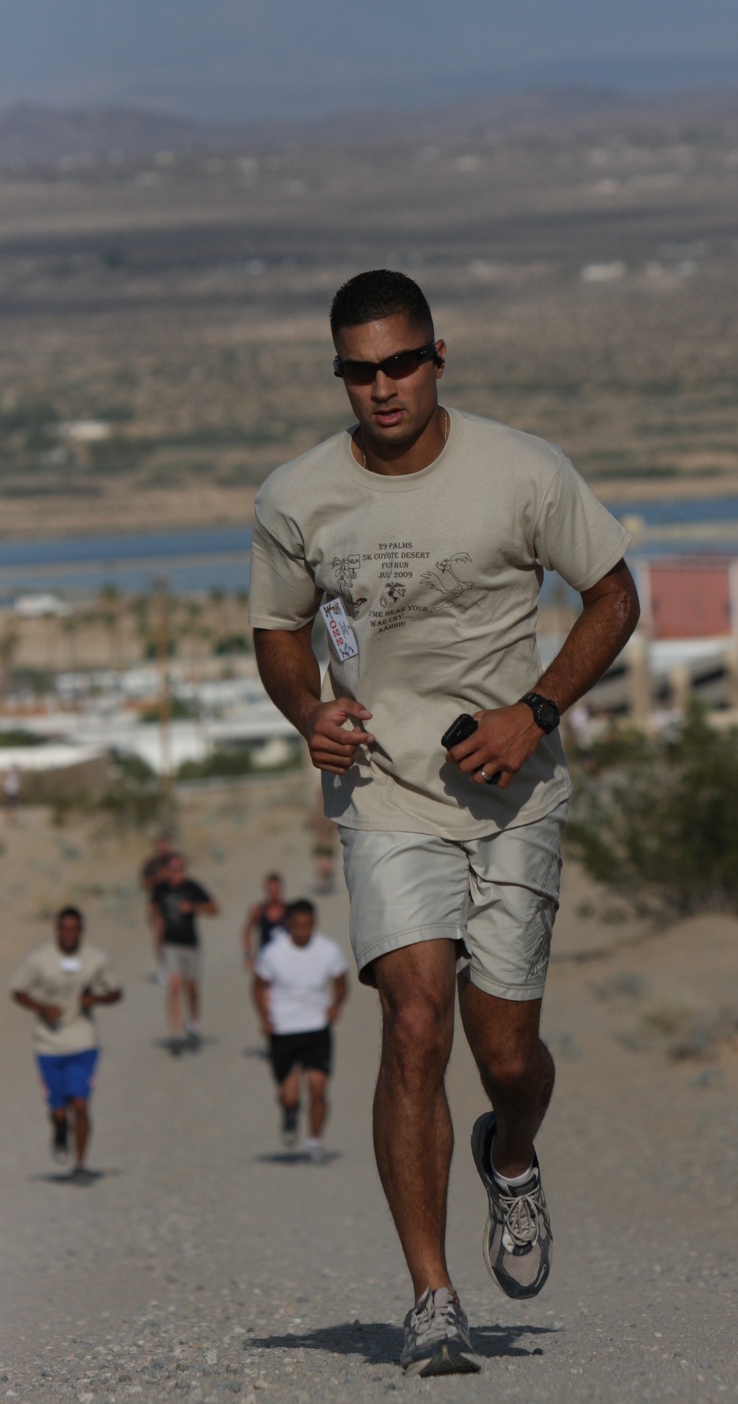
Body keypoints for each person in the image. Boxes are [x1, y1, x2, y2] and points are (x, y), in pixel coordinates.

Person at [249, 269, 639, 1376]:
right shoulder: (296, 494)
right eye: (358, 370)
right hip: (385, 794)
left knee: (504, 1054)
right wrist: (306, 712)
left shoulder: (521, 470)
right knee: (413, 1024)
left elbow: (613, 593)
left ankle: (509, 1156)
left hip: (513, 794)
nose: (381, 388)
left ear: (437, 358)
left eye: (400, 364)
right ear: (341, 375)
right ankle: (431, 1297)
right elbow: (278, 629)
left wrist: (537, 710)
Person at [11, 906, 122, 1184]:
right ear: (56, 930)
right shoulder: (40, 959)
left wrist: (95, 999)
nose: (69, 935)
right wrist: (41, 1007)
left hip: (83, 1042)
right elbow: (18, 990)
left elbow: (116, 991)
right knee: (59, 1109)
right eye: (64, 929)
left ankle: (80, 1163)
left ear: (81, 931)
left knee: (82, 1105)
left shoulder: (96, 958)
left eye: (74, 929)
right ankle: (60, 1127)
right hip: (48, 1045)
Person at [252, 899, 347, 1161]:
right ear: (288, 924)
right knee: (290, 1095)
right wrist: (265, 1018)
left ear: (314, 924)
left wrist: (335, 1006)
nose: (302, 931)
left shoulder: (329, 950)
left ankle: (315, 1141)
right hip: (283, 1028)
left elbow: (341, 982)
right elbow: (258, 986)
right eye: (297, 926)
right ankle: (290, 1113)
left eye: (307, 926)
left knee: (318, 1088)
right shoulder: (273, 952)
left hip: (316, 1027)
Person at [149, 853, 219, 1054]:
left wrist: (194, 907)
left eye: (180, 869)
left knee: (192, 987)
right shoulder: (160, 889)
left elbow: (214, 908)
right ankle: (176, 1032)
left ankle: (194, 1022)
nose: (176, 873)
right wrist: (156, 920)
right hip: (171, 944)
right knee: (174, 986)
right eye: (173, 869)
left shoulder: (192, 887)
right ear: (167, 870)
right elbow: (153, 906)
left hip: (191, 944)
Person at [140, 836, 176, 978]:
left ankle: (177, 966)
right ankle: (164, 967)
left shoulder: (176, 860)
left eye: (165, 845)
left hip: (174, 903)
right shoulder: (151, 864)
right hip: (158, 904)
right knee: (160, 936)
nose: (163, 849)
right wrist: (157, 878)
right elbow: (144, 884)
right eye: (160, 846)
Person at [241, 871, 289, 971]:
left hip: (287, 958)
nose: (274, 893)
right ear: (266, 890)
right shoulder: (258, 911)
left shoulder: (290, 911)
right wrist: (248, 957)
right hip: (266, 960)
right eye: (271, 889)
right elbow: (247, 932)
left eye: (276, 889)